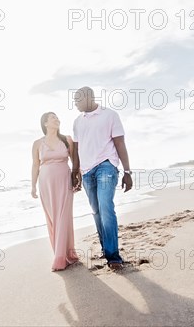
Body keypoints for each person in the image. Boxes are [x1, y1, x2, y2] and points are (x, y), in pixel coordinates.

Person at [71, 87, 133, 271]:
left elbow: (120, 143)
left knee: (106, 207)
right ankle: (106, 249)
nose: (75, 103)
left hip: (106, 165)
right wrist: (75, 172)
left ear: (89, 97)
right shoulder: (77, 122)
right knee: (96, 211)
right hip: (87, 171)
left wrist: (127, 172)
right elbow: (76, 149)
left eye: (77, 100)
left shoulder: (110, 115)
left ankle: (114, 255)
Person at [31, 112, 80, 271]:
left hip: (64, 181)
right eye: (53, 118)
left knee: (63, 217)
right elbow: (35, 165)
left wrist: (77, 178)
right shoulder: (37, 143)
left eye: (58, 117)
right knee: (52, 218)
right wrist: (33, 186)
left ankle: (61, 258)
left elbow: (75, 163)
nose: (57, 119)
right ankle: (62, 253)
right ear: (45, 123)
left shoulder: (67, 140)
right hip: (45, 184)